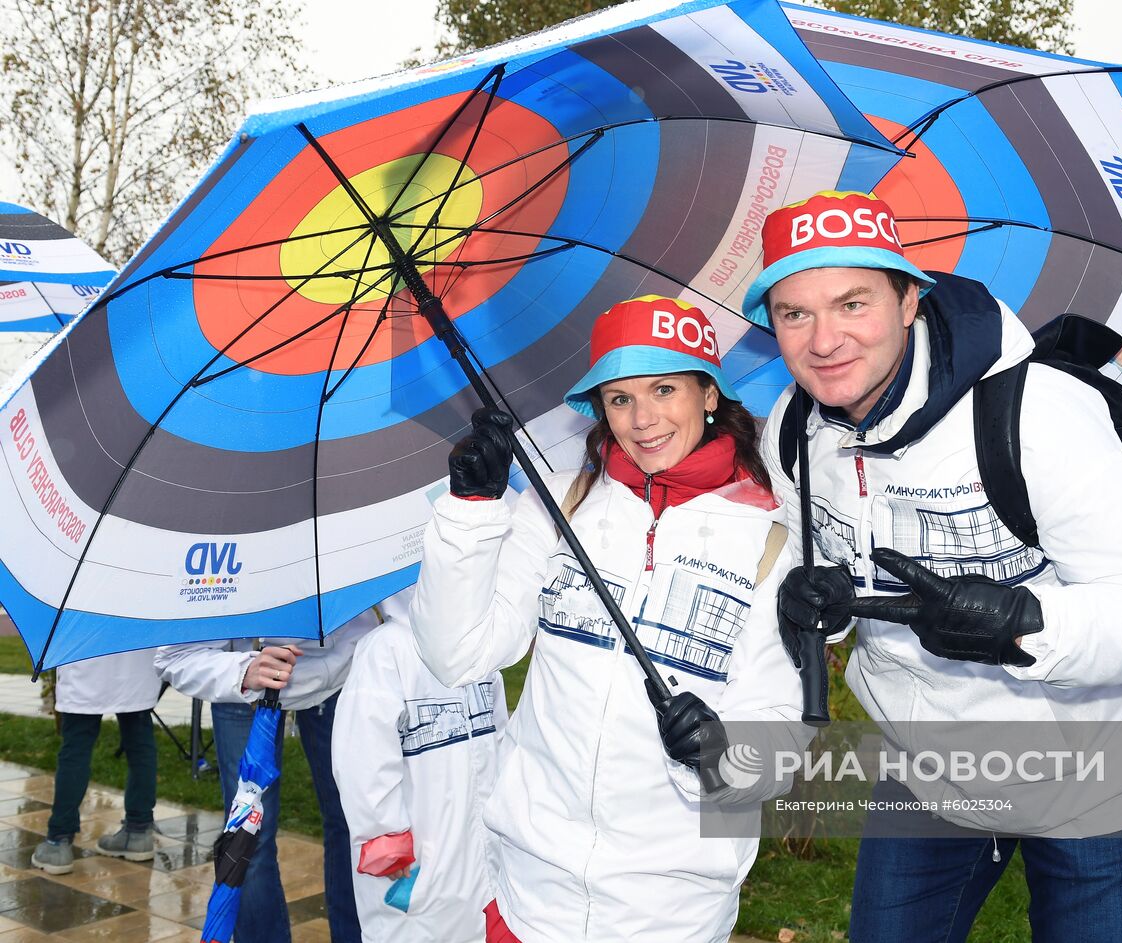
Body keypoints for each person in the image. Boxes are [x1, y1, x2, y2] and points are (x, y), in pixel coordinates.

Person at [742, 191, 1122, 943]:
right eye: (794, 313)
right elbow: (826, 571)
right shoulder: (794, 434)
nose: (824, 339)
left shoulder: (1036, 413)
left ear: (908, 299)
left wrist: (1026, 625)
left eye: (852, 302)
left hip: (1101, 768)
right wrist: (815, 603)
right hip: (932, 770)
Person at [411, 295, 807, 943]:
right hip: (528, 895)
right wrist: (471, 512)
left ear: (710, 394)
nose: (642, 419)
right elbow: (458, 653)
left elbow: (781, 746)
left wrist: (715, 752)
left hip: (671, 913)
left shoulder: (769, 543)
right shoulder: (562, 502)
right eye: (619, 398)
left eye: (663, 388)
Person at [155, 592, 405, 943]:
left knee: (356, 827)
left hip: (344, 679)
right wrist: (241, 670)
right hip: (245, 691)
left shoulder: (343, 536)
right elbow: (172, 656)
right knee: (248, 841)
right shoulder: (210, 540)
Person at [332, 610, 507, 942]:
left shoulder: (479, 647)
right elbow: (362, 758)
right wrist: (384, 834)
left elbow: (499, 736)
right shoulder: (384, 651)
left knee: (478, 923)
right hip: (418, 865)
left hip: (480, 852)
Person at [30, 649, 162, 875]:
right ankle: (139, 830)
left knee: (76, 749)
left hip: (85, 660)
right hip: (138, 663)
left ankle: (58, 842)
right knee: (140, 744)